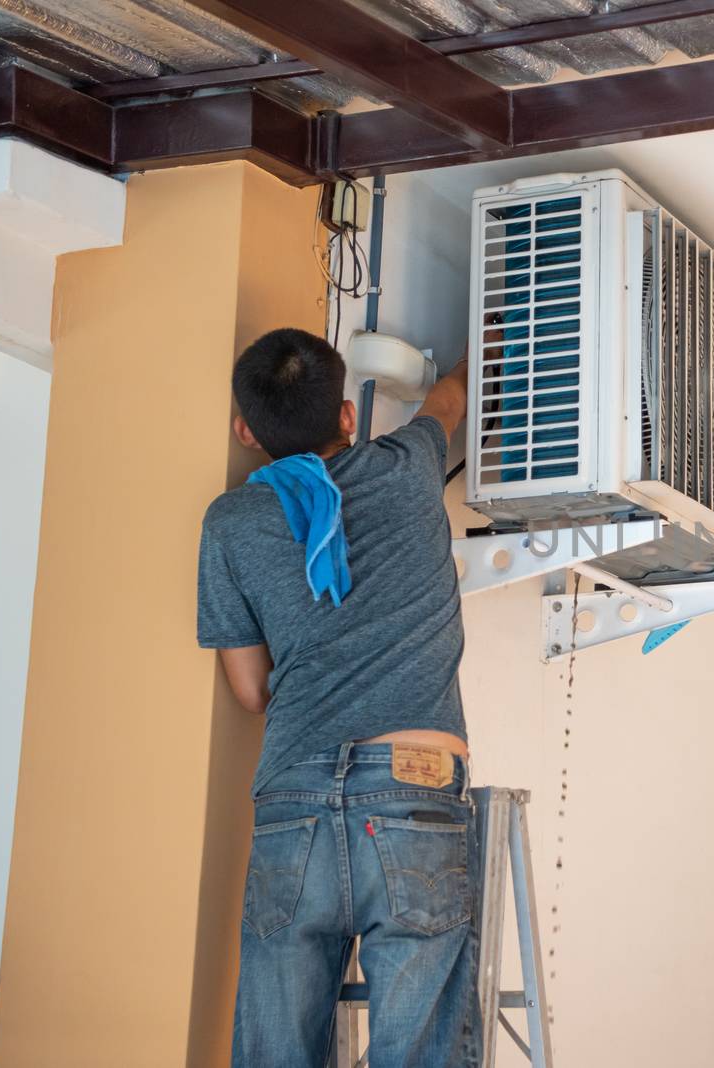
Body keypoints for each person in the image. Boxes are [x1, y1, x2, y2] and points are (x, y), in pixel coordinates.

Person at [196, 327, 478, 1067]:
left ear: (246, 432)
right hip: (415, 791)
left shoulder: (229, 523)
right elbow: (449, 401)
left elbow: (251, 690)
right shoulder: (410, 464)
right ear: (347, 418)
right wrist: (493, 336)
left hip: (295, 805)